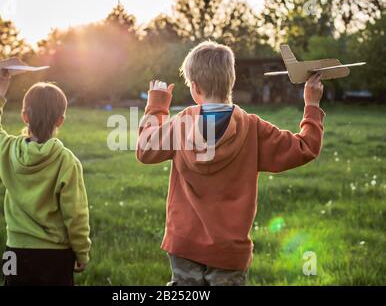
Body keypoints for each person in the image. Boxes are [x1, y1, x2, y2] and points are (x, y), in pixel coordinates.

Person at [136, 41, 325, 286]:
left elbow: (145, 149)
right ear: (231, 82)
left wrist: (158, 105)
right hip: (229, 252)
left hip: (183, 243)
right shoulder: (253, 127)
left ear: (194, 88)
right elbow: (305, 148)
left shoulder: (181, 123)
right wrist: (311, 105)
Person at [0, 72, 91, 286]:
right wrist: (82, 252)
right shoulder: (67, 161)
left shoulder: (8, 149)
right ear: (60, 120)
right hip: (56, 255)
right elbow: (76, 214)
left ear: (24, 116)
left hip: (14, 251)